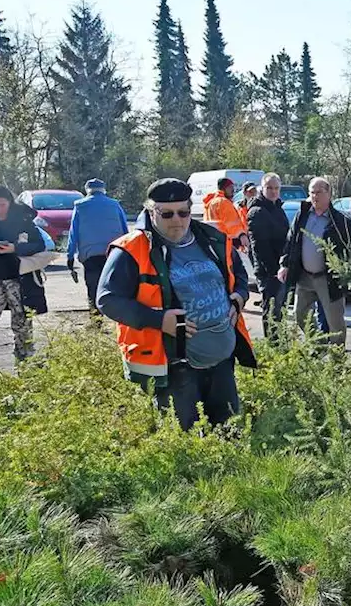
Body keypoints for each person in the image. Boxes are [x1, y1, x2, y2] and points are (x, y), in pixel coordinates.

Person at [96, 178, 256, 430]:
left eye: (183, 212)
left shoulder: (211, 239)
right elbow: (107, 299)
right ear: (151, 211)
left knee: (229, 433)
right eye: (167, 214)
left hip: (222, 362)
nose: (177, 220)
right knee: (185, 440)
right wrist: (160, 320)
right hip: (175, 369)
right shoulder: (132, 249)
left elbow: (238, 274)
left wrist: (238, 298)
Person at [278, 177, 351, 346]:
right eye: (312, 192)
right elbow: (291, 241)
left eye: (319, 192)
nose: (314, 196)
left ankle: (337, 361)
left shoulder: (340, 221)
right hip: (305, 277)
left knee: (335, 323)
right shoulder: (302, 215)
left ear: (329, 194)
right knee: (299, 314)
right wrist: (285, 264)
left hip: (328, 279)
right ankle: (320, 344)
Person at [0, 184, 44, 365]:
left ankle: (26, 368)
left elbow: (39, 245)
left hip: (19, 280)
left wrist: (15, 248)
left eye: (2, 205)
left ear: (10, 203)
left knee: (22, 325)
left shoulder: (23, 219)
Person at [66, 178, 129, 312]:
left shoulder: (79, 206)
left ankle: (96, 322)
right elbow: (125, 231)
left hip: (90, 255)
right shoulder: (115, 205)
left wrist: (70, 256)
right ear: (103, 190)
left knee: (93, 288)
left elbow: (73, 234)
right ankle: (117, 319)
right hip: (113, 253)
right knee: (115, 288)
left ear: (87, 191)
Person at [245, 173, 290, 339]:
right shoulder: (257, 211)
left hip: (281, 269)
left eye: (276, 188)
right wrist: (273, 271)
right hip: (269, 273)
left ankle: (280, 345)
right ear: (261, 189)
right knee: (272, 311)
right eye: (269, 188)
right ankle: (274, 348)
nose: (273, 191)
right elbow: (259, 247)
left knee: (280, 312)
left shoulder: (277, 208)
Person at [202, 178, 247, 249]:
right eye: (230, 187)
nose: (233, 190)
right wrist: (241, 235)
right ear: (223, 188)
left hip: (214, 240)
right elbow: (232, 223)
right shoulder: (224, 202)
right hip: (227, 242)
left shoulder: (211, 202)